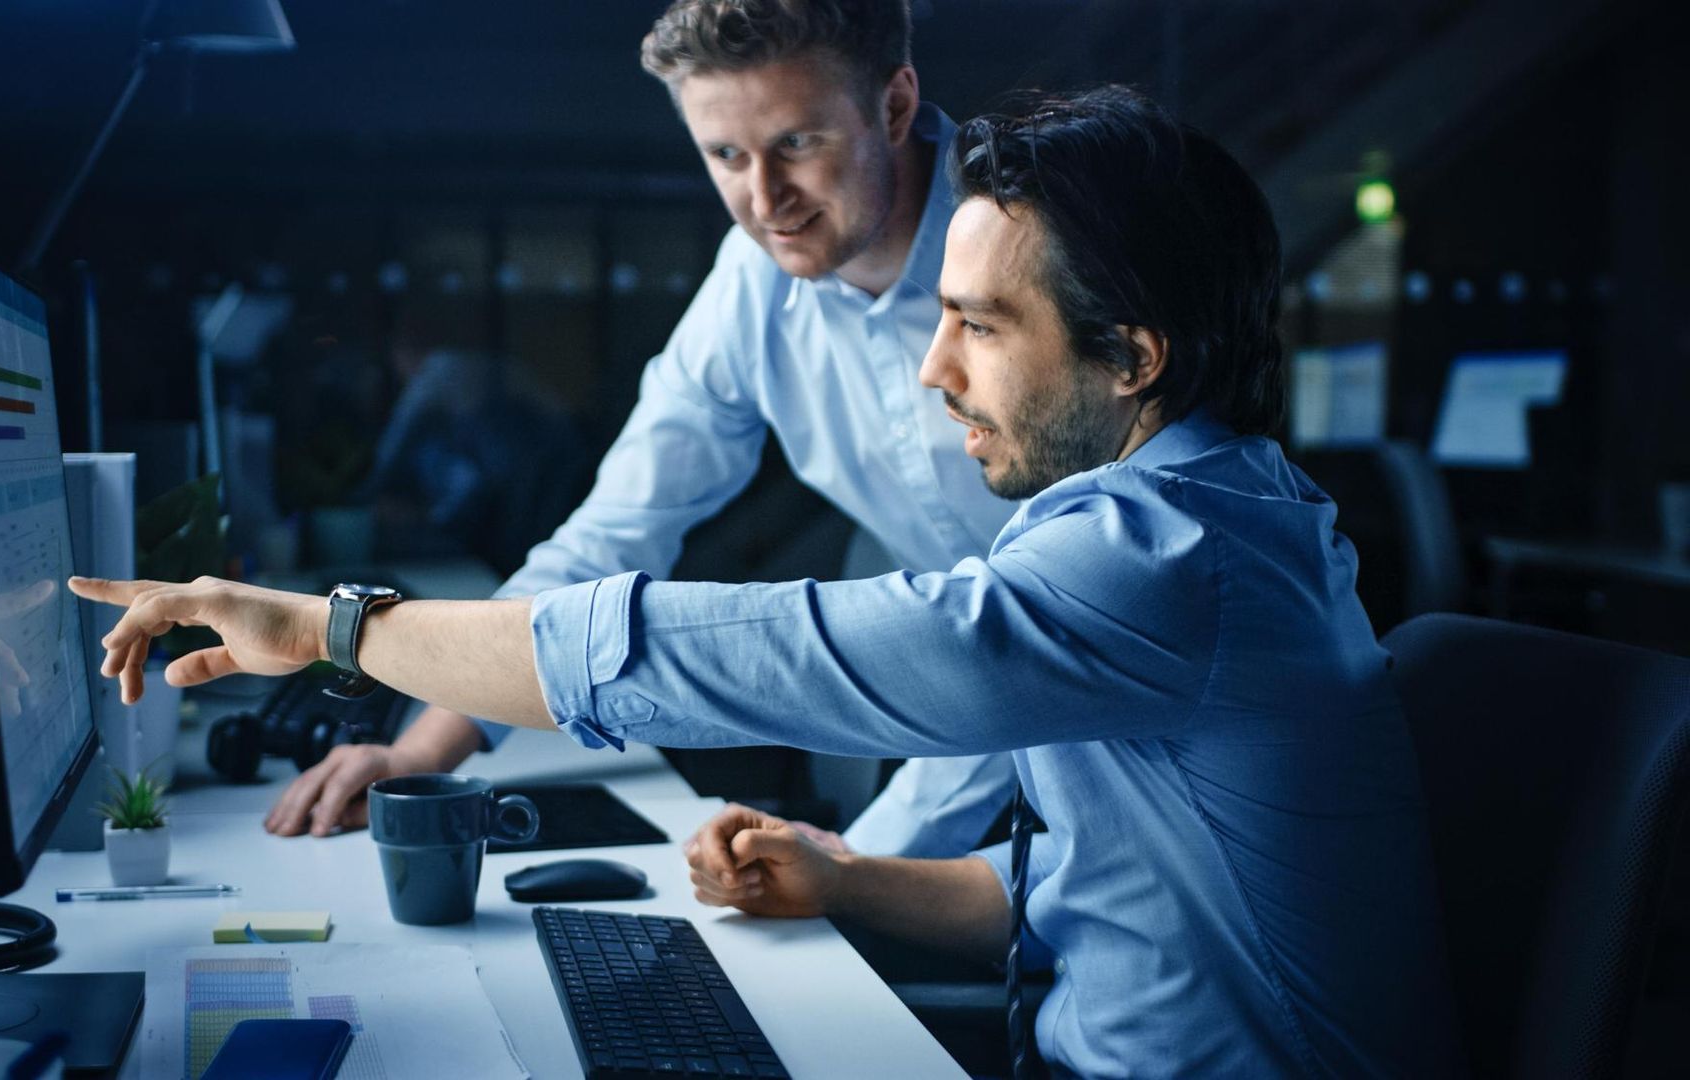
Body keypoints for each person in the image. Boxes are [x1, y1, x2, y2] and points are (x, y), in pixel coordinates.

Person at [72, 85, 1462, 1076]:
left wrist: (335, 630)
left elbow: (759, 650)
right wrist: (845, 878)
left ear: (1134, 355)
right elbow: (1105, 896)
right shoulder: (1175, 520)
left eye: (980, 325)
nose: (933, 369)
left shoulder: (1169, 557)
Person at [262, 0, 1017, 858]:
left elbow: (1059, 623)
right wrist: (418, 754)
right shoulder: (757, 280)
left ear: (894, 105)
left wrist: (869, 868)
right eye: (725, 155)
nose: (765, 200)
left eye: (797, 144)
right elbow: (615, 533)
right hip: (975, 717)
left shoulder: (1041, 247)